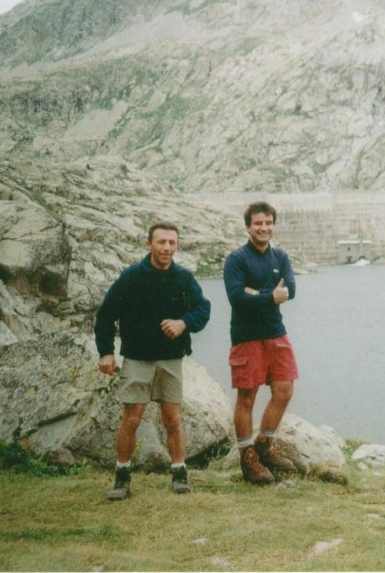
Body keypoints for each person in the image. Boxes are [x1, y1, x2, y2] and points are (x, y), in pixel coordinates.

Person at [95, 222, 211, 501]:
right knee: (132, 418)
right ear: (149, 244)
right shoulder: (131, 277)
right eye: (161, 242)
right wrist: (106, 352)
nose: (166, 248)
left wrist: (184, 323)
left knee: (173, 418)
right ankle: (122, 476)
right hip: (137, 357)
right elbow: (105, 315)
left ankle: (179, 472)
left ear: (177, 246)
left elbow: (203, 309)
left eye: (172, 242)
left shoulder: (184, 278)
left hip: (171, 358)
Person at [224, 201, 300, 484]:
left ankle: (265, 445)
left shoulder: (280, 257)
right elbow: (236, 298)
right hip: (246, 337)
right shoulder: (236, 259)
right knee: (247, 397)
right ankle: (247, 458)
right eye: (258, 223)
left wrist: (255, 292)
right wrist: (269, 296)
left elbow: (290, 289)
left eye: (268, 223)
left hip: (276, 333)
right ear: (248, 227)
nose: (264, 228)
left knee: (284, 390)